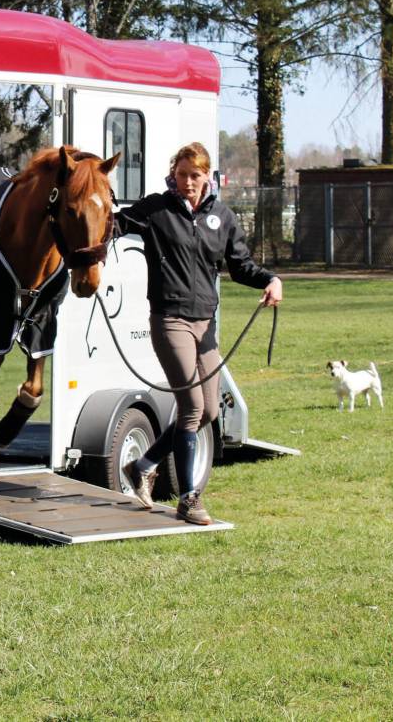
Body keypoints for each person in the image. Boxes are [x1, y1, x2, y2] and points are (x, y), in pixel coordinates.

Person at [116, 142, 282, 524]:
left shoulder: (220, 216)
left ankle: (143, 465)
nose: (188, 182)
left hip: (205, 323)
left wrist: (270, 280)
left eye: (196, 175)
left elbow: (240, 265)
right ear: (173, 173)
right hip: (170, 320)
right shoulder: (156, 210)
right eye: (182, 174)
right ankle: (189, 499)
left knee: (208, 410)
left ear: (208, 176)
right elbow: (117, 224)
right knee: (191, 407)